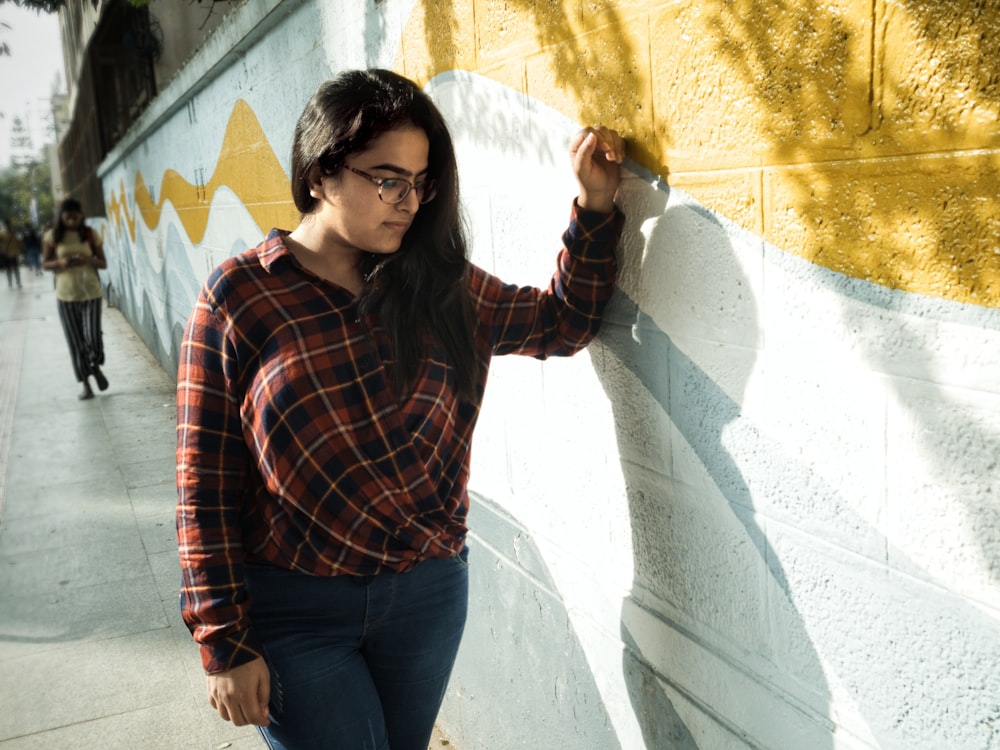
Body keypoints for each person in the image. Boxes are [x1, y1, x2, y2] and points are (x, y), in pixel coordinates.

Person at [176, 68, 625, 750]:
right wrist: (222, 640)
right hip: (295, 609)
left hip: (427, 597)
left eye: (421, 182)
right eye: (388, 179)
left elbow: (562, 322)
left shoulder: (441, 287)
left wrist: (594, 208)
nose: (408, 201)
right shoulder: (242, 296)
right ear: (322, 174)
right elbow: (202, 483)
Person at [42, 198, 109, 399]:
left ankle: (95, 365)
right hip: (65, 296)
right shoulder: (52, 236)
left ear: (81, 215)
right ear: (61, 216)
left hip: (91, 293)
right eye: (67, 216)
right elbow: (45, 264)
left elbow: (103, 263)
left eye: (75, 216)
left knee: (93, 337)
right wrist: (60, 262)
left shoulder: (89, 234)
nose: (72, 220)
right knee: (75, 341)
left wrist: (87, 260)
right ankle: (87, 385)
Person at [1, 219, 23, 288]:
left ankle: (11, 282)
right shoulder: (13, 233)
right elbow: (18, 242)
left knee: (9, 268)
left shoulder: (3, 233)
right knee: (15, 268)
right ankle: (17, 282)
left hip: (8, 253)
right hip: (12, 253)